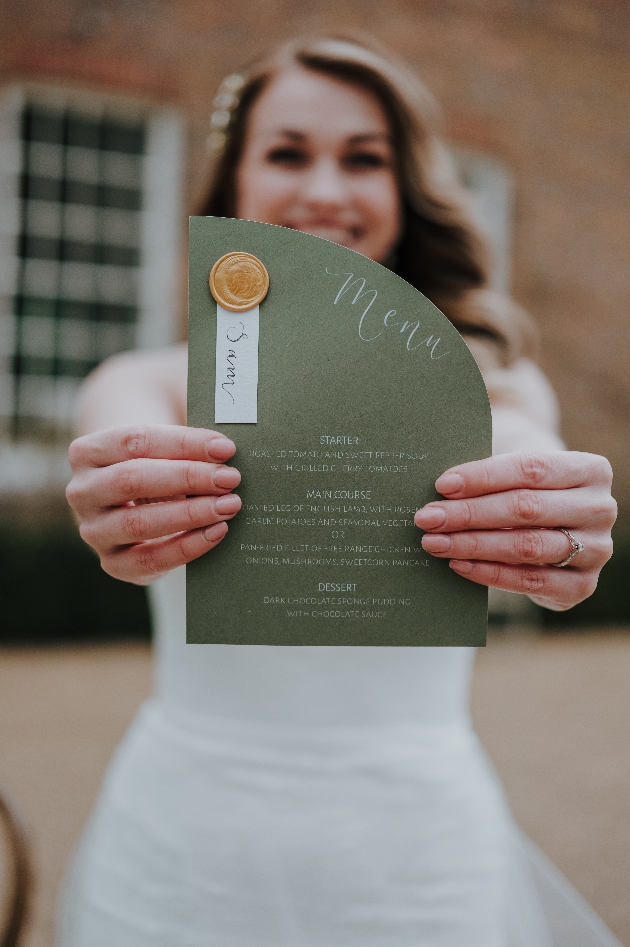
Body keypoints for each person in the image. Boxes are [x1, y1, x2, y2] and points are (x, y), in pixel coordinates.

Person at [60, 33, 618, 947]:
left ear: (406, 192)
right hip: (181, 844)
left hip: (414, 854)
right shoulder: (152, 380)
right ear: (233, 184)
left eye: (364, 160)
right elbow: (109, 440)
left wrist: (554, 515)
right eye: (287, 153)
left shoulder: (493, 386)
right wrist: (115, 490)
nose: (324, 190)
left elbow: (524, 447)